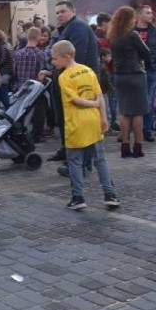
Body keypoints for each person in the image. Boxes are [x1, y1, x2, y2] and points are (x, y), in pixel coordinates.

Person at [50, 40, 120, 211]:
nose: (53, 62)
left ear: (66, 57)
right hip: (94, 121)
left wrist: (93, 105)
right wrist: (103, 117)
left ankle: (78, 197)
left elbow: (75, 99)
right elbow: (100, 96)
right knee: (100, 159)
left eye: (55, 59)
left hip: (76, 123)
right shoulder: (88, 71)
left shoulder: (64, 76)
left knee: (74, 161)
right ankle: (110, 195)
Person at [42, 0, 99, 163]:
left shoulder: (78, 27)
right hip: (62, 80)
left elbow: (75, 58)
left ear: (72, 11)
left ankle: (80, 160)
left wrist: (56, 71)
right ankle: (67, 149)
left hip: (76, 83)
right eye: (57, 12)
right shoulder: (64, 29)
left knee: (76, 121)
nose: (59, 15)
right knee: (63, 118)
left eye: (63, 11)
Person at [108, 6, 151, 158]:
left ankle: (125, 146)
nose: (135, 20)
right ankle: (138, 147)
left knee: (125, 112)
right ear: (128, 20)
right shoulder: (132, 35)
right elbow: (146, 52)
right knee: (138, 112)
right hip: (135, 74)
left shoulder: (113, 36)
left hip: (119, 75)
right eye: (133, 18)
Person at [134, 6, 156, 143]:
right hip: (133, 71)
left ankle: (147, 130)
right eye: (148, 12)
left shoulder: (154, 31)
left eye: (151, 12)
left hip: (150, 71)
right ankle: (132, 130)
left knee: (149, 101)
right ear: (139, 15)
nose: (151, 15)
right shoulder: (131, 30)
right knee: (133, 102)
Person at [13, 27, 47, 142]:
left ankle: (20, 132)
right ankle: (37, 135)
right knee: (39, 111)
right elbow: (42, 72)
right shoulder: (40, 54)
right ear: (38, 37)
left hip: (21, 88)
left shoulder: (18, 54)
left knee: (21, 112)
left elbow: (15, 72)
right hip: (35, 89)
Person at [0, 29, 15, 109]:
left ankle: (9, 110)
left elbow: (2, 60)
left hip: (4, 72)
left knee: (3, 91)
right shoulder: (8, 45)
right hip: (10, 71)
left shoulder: (2, 47)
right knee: (4, 91)